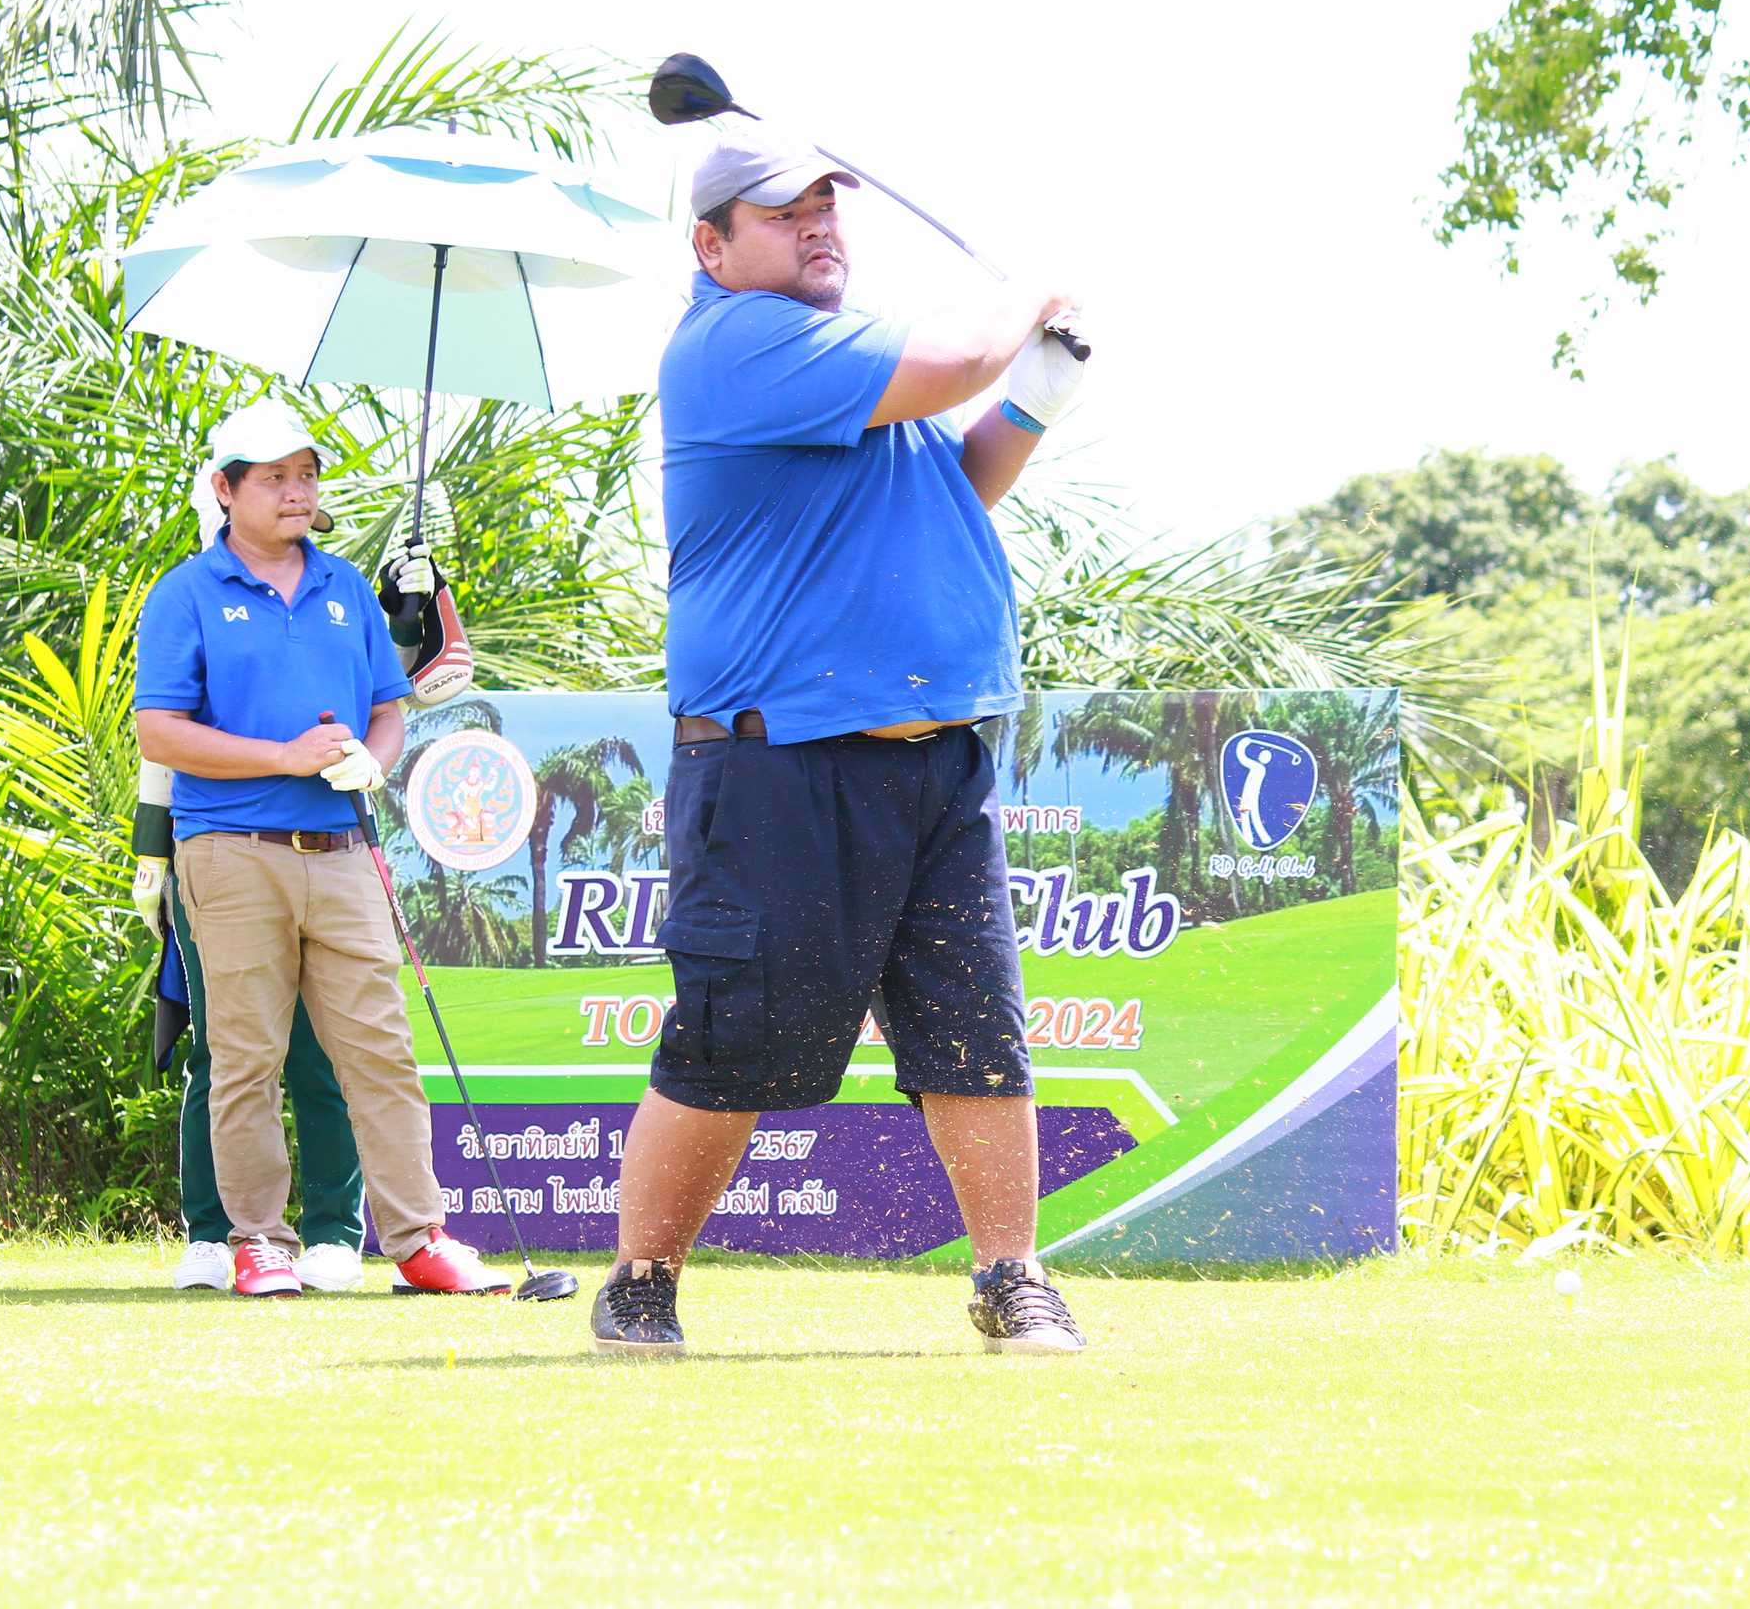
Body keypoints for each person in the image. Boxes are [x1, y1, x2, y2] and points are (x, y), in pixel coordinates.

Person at [590, 129, 1092, 1355]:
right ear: (711, 246)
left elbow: (954, 486)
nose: (819, 224)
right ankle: (639, 1282)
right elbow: (959, 357)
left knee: (974, 1029)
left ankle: (1011, 1276)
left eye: (826, 206)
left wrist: (1036, 395)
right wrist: (1027, 299)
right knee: (733, 1042)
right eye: (784, 212)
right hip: (777, 760)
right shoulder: (736, 344)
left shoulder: (842, 356)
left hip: (935, 761)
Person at [132, 401, 501, 1298]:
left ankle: (417, 1239)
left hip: (342, 849)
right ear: (226, 491)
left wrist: (375, 763)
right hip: (231, 850)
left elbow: (386, 706)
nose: (296, 492)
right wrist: (283, 757)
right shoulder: (186, 593)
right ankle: (259, 1240)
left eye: (306, 475)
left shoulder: (345, 589)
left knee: (380, 1050)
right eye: (274, 478)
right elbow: (159, 732)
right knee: (246, 1056)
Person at [132, 757, 368, 1292]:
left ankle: (333, 1234)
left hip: (327, 854)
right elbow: (162, 745)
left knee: (320, 1051)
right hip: (213, 857)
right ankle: (213, 1234)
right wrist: (150, 856)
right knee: (221, 1054)